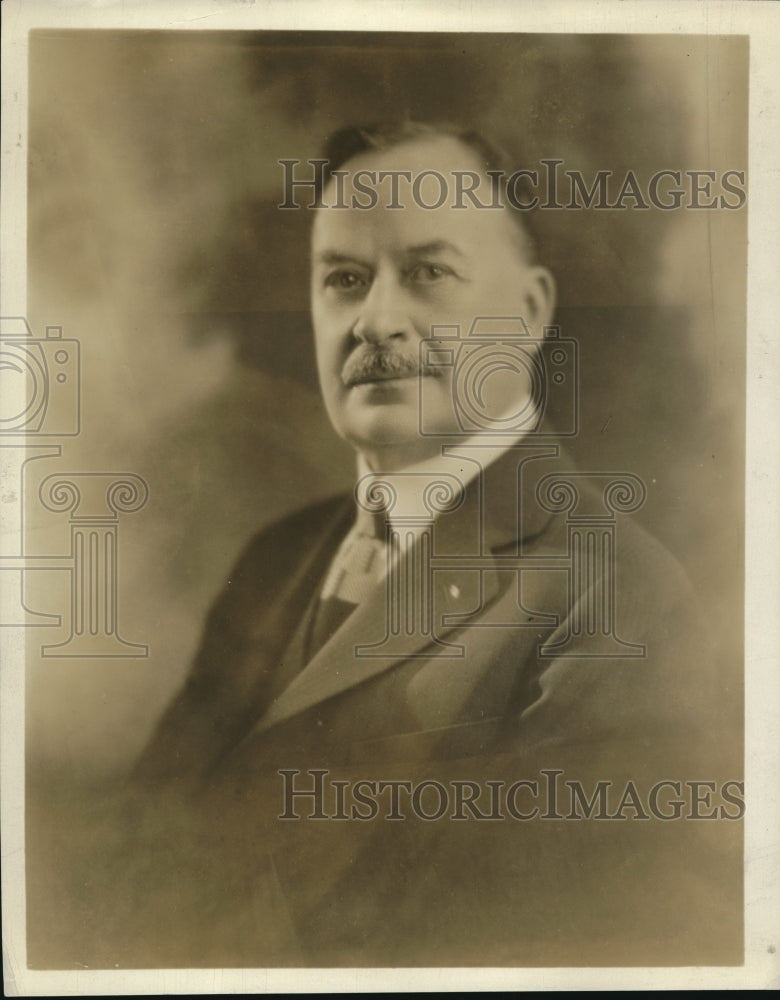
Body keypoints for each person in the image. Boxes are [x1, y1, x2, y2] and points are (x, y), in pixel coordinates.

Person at [103, 123, 740, 968]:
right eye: (344, 279)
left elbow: (558, 947)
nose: (376, 321)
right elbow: (133, 865)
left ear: (529, 312)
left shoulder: (615, 595)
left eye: (427, 273)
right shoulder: (275, 558)